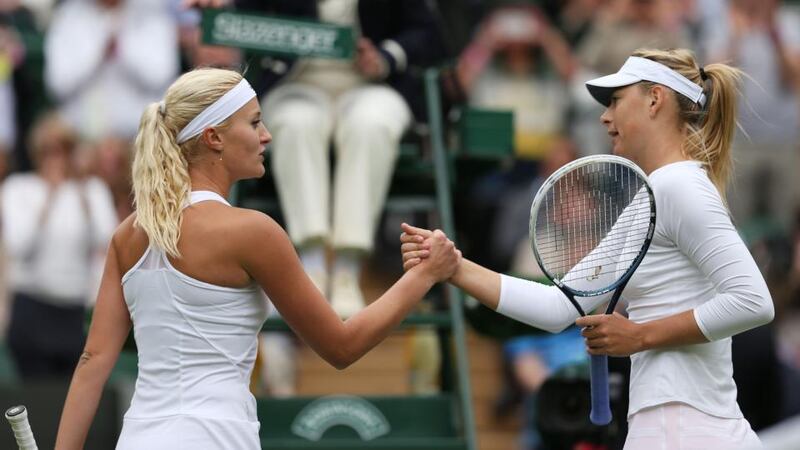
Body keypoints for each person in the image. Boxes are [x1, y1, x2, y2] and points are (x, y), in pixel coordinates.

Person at [53, 68, 460, 450]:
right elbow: (342, 346)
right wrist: (424, 275)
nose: (266, 136)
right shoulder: (253, 231)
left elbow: (93, 359)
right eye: (253, 123)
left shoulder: (127, 234)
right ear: (213, 137)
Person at [401, 48, 775, 448]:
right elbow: (558, 306)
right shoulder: (653, 196)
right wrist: (454, 267)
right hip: (672, 426)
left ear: (654, 99)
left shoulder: (679, 187)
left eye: (615, 100)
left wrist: (640, 336)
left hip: (685, 430)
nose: (604, 116)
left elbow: (753, 302)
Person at [1, 112, 117, 381]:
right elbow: (19, 247)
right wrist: (49, 198)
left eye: (64, 149)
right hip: (32, 307)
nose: (56, 158)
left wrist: (79, 192)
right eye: (48, 151)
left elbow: (106, 240)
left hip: (75, 311)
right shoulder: (18, 189)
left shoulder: (91, 190)